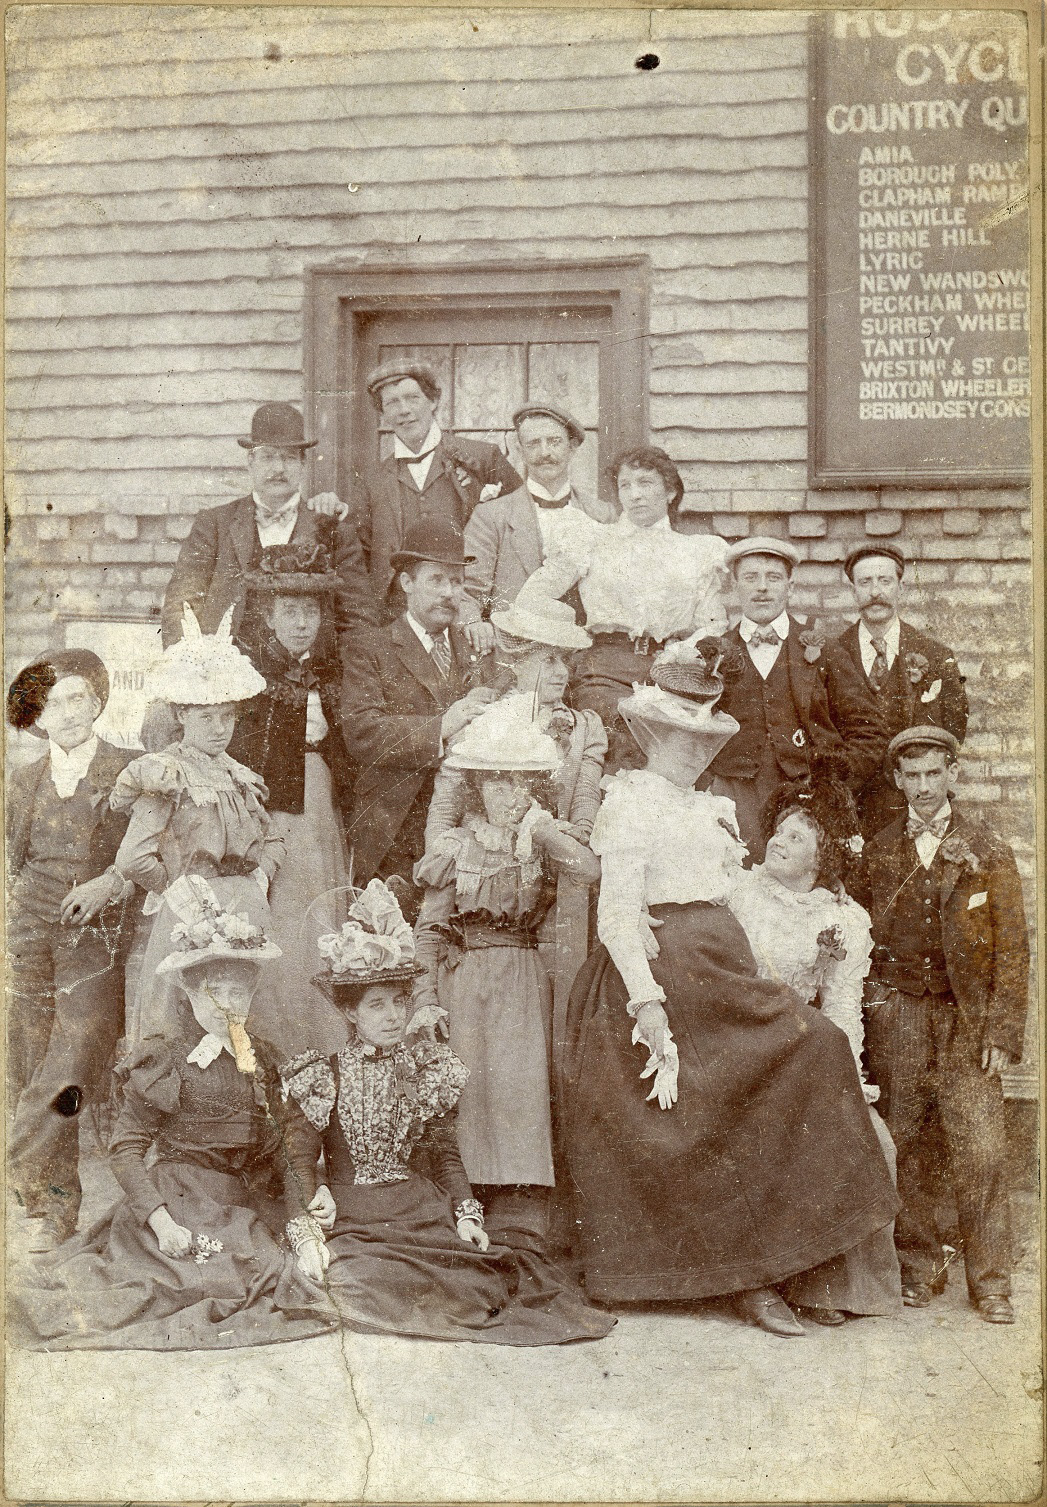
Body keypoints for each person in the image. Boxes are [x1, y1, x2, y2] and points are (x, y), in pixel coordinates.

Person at [561, 654, 898, 1338]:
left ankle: (806, 1267)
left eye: (703, 740)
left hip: (723, 969)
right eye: (680, 738)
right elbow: (617, 916)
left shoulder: (711, 806)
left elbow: (739, 896)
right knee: (717, 1102)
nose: (694, 751)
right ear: (654, 736)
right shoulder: (630, 800)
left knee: (818, 1046)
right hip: (665, 975)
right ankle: (745, 1279)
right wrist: (648, 1004)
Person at [276, 879, 613, 1345]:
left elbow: (445, 1156)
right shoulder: (321, 1074)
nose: (394, 1016)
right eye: (378, 1005)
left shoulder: (424, 1069)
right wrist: (307, 1234)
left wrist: (467, 1216)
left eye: (400, 1002)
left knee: (474, 1286)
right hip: (354, 1216)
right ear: (351, 1013)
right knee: (358, 1281)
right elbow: (296, 1161)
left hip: (419, 1210)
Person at [13, 880, 339, 1351]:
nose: (227, 1005)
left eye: (238, 992)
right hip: (177, 1197)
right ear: (189, 992)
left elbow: (287, 1151)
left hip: (240, 1198)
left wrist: (305, 1222)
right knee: (187, 1281)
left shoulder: (265, 1060)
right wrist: (161, 1222)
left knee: (286, 1270)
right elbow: (126, 1149)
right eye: (214, 992)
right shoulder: (165, 1060)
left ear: (252, 994)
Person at [855, 727, 1029, 1324]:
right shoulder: (880, 848)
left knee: (982, 1149)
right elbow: (862, 936)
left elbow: (1013, 947)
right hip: (901, 1012)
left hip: (967, 1019)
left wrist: (1002, 1033)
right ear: (897, 780)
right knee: (905, 1142)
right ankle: (919, 1268)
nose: (924, 787)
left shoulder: (987, 847)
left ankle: (991, 1281)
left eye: (934, 774)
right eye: (913, 776)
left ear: (953, 774)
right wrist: (876, 1010)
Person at [412, 702, 601, 1249]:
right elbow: (429, 930)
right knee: (466, 1090)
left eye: (520, 785)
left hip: (522, 979)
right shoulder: (455, 846)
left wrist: (541, 830)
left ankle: (519, 1213)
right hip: (464, 979)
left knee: (518, 1090)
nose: (509, 796)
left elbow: (588, 869)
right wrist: (424, 999)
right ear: (478, 788)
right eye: (498, 784)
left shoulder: (540, 841)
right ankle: (464, 1204)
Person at [727, 771, 903, 1324]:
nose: (778, 841)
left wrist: (847, 1076)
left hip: (803, 1049)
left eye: (796, 837)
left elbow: (842, 1007)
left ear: (821, 857)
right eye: (779, 830)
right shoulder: (738, 893)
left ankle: (825, 1286)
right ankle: (762, 1281)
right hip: (739, 1041)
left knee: (864, 1134)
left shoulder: (844, 918)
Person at [6, 650, 139, 1250]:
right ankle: (53, 1210)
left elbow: (149, 852)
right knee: (33, 1058)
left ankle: (13, 1158)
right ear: (38, 716)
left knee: (73, 1056)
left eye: (78, 698)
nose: (66, 712)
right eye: (52, 703)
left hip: (96, 932)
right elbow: (14, 864)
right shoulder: (23, 781)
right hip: (29, 930)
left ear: (98, 702)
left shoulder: (129, 768)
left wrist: (109, 883)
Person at [109, 606, 283, 1044]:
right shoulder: (166, 773)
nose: (219, 729)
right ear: (181, 715)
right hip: (191, 916)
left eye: (227, 716)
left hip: (248, 911)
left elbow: (272, 836)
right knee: (185, 1027)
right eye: (206, 718)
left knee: (251, 1025)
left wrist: (259, 877)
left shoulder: (238, 775)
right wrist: (176, 889)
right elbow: (132, 858)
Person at [513, 445, 728, 768]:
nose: (635, 494)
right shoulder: (594, 540)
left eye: (645, 483)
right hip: (605, 669)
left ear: (670, 491)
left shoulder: (697, 552)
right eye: (625, 485)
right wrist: (569, 632)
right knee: (617, 751)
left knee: (671, 760)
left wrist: (682, 653)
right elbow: (534, 597)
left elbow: (713, 624)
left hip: (674, 674)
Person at [227, 542, 356, 1050]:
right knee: (284, 913)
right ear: (269, 615)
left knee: (324, 908)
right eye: (290, 611)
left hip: (321, 801)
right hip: (276, 808)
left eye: (311, 612)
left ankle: (328, 1036)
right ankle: (281, 1039)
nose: (302, 623)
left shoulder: (330, 673)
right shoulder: (250, 676)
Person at [339, 518, 498, 904]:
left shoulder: (475, 650)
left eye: (457, 582)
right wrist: (442, 725)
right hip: (393, 828)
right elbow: (361, 732)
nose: (448, 593)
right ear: (406, 582)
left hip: (464, 831)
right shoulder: (370, 648)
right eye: (436, 579)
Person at [706, 536, 887, 860]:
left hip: (808, 799)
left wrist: (834, 787)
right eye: (751, 577)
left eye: (773, 578)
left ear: (790, 587)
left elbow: (869, 732)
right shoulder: (715, 654)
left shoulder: (825, 651)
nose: (762, 587)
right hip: (734, 801)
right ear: (735, 586)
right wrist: (712, 787)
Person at [161, 401, 376, 651]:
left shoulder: (332, 529)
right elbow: (181, 607)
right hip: (226, 669)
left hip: (309, 671)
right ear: (251, 462)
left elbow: (359, 620)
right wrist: (189, 667)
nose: (278, 468)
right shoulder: (214, 525)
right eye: (268, 456)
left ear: (303, 464)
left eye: (289, 458)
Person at [424, 596, 607, 847]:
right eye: (549, 660)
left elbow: (585, 800)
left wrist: (576, 843)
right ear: (517, 663)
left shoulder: (585, 727)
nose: (562, 672)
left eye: (565, 660)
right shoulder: (480, 718)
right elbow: (445, 807)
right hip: (485, 850)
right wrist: (435, 858)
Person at [823, 543, 969, 839]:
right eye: (865, 582)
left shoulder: (936, 656)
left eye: (885, 581)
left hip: (915, 806)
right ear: (853, 591)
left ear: (901, 588)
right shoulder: (831, 655)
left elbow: (954, 729)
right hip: (852, 807)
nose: (875, 591)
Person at [355, 361, 521, 604]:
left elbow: (520, 527)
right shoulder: (372, 480)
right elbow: (361, 555)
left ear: (433, 401)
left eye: (412, 398)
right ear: (382, 413)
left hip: (469, 605)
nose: (404, 410)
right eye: (392, 402)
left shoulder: (484, 458)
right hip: (398, 612)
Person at [460, 403, 615, 654]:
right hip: (516, 654)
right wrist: (473, 624)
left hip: (588, 659)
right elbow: (468, 592)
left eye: (554, 442)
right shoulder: (491, 516)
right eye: (533, 444)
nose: (545, 452)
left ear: (572, 447)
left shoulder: (602, 516)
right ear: (520, 451)